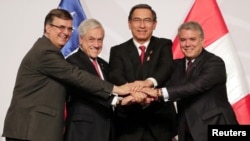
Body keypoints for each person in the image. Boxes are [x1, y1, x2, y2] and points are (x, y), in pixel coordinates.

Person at [2, 9, 133, 141]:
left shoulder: (49, 51)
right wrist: (117, 89)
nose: (66, 33)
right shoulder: (45, 52)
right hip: (29, 131)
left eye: (69, 29)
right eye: (61, 27)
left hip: (35, 130)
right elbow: (77, 76)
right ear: (48, 28)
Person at [142, 21, 239, 141]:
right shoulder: (176, 66)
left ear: (202, 40)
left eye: (192, 39)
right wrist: (145, 95)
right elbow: (162, 84)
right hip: (186, 132)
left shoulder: (214, 63)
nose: (187, 44)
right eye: (183, 40)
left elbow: (195, 86)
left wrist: (158, 93)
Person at [108, 4, 177, 141]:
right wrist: (134, 92)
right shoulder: (117, 50)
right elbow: (115, 75)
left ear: (154, 24)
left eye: (147, 20)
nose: (142, 25)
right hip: (128, 127)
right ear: (129, 23)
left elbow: (166, 68)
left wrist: (147, 83)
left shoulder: (164, 45)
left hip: (161, 125)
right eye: (137, 20)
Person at [64, 18, 116, 141]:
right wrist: (117, 100)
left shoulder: (105, 65)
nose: (97, 45)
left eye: (100, 40)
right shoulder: (72, 63)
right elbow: (89, 90)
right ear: (81, 40)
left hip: (107, 132)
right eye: (91, 39)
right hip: (83, 133)